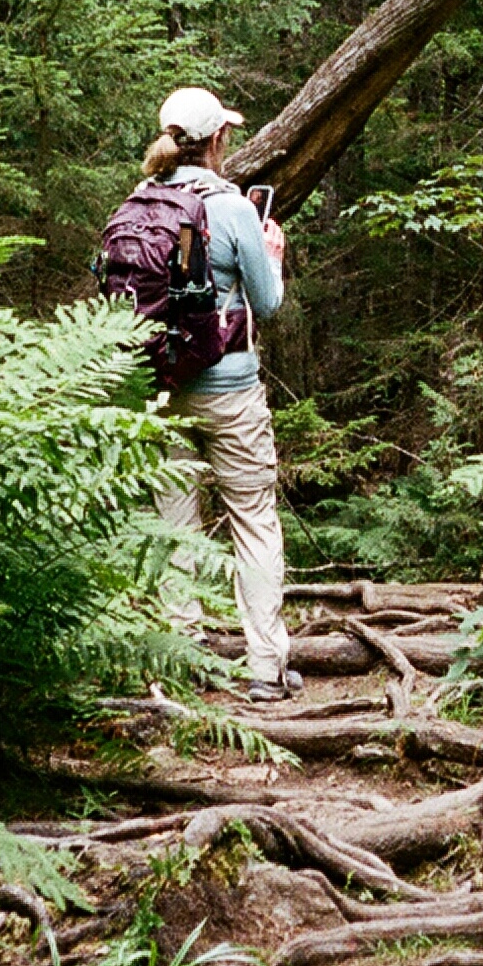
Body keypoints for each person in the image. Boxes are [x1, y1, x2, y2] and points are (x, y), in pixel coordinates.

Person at [131, 87, 297, 702]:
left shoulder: (140, 199)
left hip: (163, 389)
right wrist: (273, 255)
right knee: (252, 520)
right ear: (218, 140)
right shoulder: (231, 208)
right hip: (229, 388)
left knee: (177, 524)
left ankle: (184, 656)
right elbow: (269, 302)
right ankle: (263, 668)